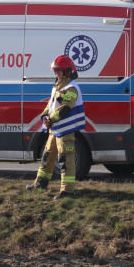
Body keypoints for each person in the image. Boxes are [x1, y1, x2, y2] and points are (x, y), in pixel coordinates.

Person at [27, 55, 87, 200]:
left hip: (66, 130)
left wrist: (50, 119)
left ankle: (67, 191)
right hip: (55, 129)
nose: (55, 73)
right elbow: (51, 105)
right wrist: (44, 116)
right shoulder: (58, 86)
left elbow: (66, 108)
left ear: (67, 71)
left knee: (66, 160)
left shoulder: (71, 88)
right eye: (55, 71)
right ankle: (40, 183)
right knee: (47, 156)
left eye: (58, 71)